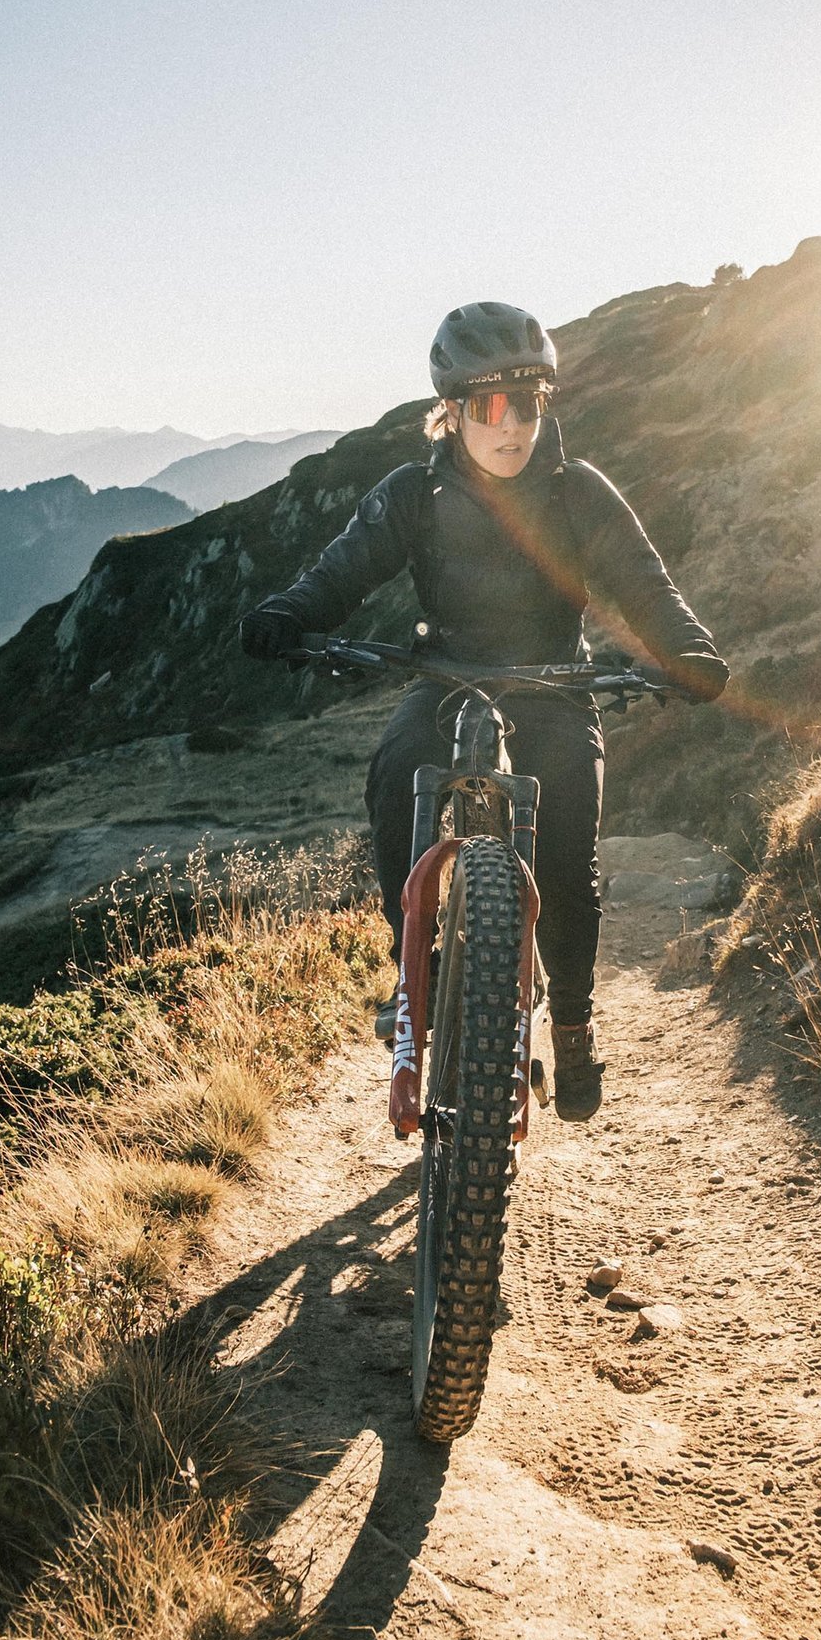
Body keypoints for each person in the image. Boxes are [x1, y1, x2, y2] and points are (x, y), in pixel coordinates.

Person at [240, 301, 728, 1122]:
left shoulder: (580, 494)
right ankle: (415, 976)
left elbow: (648, 587)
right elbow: (343, 570)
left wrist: (689, 652)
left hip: (555, 689)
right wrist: (290, 612)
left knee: (570, 865)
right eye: (490, 406)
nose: (512, 426)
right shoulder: (412, 495)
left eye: (528, 404)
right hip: (447, 681)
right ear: (453, 412)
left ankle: (570, 1024)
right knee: (398, 780)